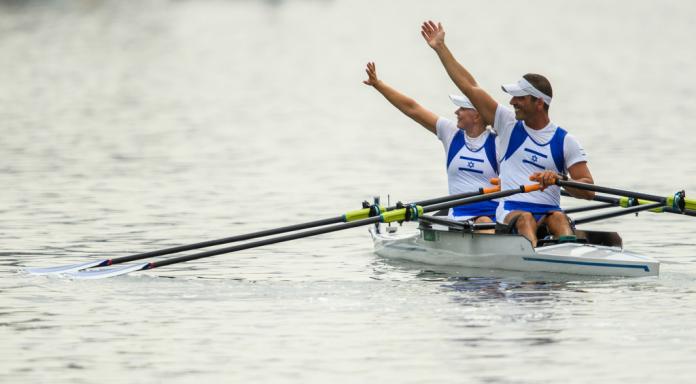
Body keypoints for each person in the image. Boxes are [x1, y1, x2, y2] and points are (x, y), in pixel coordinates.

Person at [420, 20, 595, 246]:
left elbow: (588, 189)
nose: (512, 102)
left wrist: (560, 180)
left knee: (560, 217)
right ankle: (531, 264)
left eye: (520, 98)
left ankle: (568, 258)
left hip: (550, 211)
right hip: (512, 211)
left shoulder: (565, 141)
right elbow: (470, 87)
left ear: (539, 103)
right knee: (525, 219)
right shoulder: (507, 124)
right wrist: (441, 48)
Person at [362, 61, 499, 226]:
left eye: (461, 109)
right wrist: (379, 85)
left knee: (483, 221)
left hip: (492, 217)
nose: (456, 112)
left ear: (477, 115)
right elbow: (413, 108)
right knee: (425, 223)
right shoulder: (451, 133)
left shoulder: (498, 142)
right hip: (458, 215)